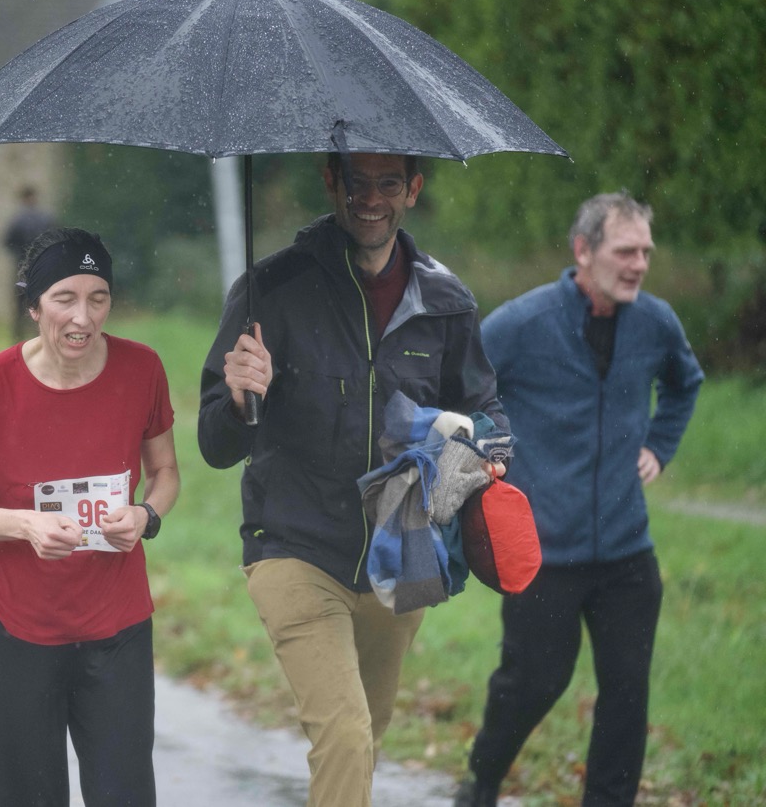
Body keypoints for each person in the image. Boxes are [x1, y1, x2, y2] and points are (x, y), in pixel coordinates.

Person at [198, 152, 508, 807]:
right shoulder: (270, 290)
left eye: (388, 183)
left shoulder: (447, 301)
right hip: (295, 547)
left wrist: (479, 457)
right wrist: (239, 398)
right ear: (330, 182)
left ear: (413, 189)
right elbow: (214, 445)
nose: (371, 199)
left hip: (404, 554)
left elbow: (488, 413)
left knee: (364, 741)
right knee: (344, 735)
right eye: (356, 182)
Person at [454, 192, 704, 807]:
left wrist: (659, 445)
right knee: (534, 682)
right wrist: (487, 457)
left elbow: (685, 382)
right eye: (625, 251)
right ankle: (481, 781)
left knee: (627, 693)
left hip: (626, 549)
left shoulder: (656, 322)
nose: (639, 264)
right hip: (542, 550)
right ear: (584, 251)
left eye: (646, 251)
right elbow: (462, 387)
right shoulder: (523, 322)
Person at [0, 227, 179, 807]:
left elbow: (166, 472)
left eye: (99, 298)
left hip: (117, 630)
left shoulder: (142, 368)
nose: (83, 317)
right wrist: (26, 525)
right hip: (16, 632)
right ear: (34, 305)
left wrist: (145, 514)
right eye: (65, 298)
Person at [1, 185, 57, 341]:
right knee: (41, 301)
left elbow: (6, 242)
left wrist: (21, 253)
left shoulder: (17, 221)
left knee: (20, 305)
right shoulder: (46, 219)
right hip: (42, 268)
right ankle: (40, 335)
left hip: (22, 268)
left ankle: (18, 338)